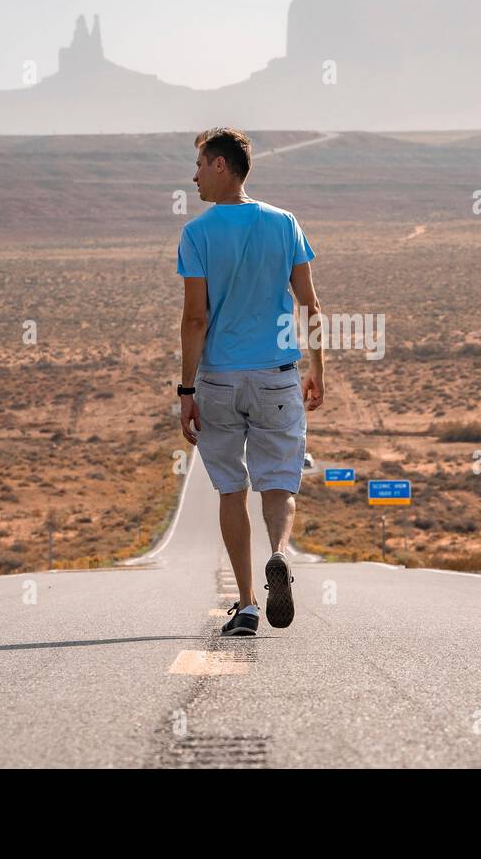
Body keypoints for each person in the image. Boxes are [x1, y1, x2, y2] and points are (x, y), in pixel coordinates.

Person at [176, 127, 325, 635]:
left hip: (219, 380)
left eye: (199, 165)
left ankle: (245, 605)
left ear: (221, 166)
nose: (193, 176)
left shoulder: (197, 233)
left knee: (230, 490)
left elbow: (196, 318)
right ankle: (279, 555)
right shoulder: (285, 223)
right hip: (277, 377)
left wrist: (185, 389)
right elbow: (310, 305)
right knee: (279, 481)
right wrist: (317, 369)